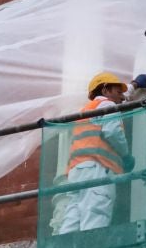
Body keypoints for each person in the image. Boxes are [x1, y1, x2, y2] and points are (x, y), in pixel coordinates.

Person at [55, 71, 133, 233]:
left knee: (74, 212)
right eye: (118, 93)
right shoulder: (107, 105)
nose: (122, 98)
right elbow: (112, 132)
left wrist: (136, 85)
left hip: (77, 171)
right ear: (105, 91)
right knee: (96, 209)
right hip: (97, 168)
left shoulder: (85, 110)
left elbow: (122, 98)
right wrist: (126, 155)